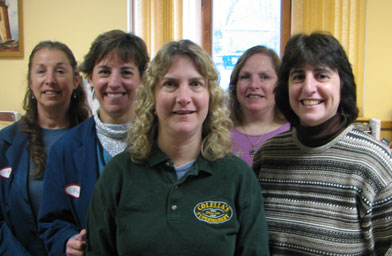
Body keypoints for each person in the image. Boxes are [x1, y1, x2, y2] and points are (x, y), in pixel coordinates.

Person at [85, 39, 270, 255]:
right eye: (170, 84)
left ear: (210, 98)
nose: (183, 98)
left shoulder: (239, 178)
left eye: (195, 84)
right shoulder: (118, 175)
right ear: (152, 99)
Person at [253, 31, 392, 255]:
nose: (308, 88)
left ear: (342, 85)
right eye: (298, 76)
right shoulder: (268, 156)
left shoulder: (374, 162)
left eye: (321, 75)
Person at [38, 30, 149, 256]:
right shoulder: (65, 150)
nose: (114, 83)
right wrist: (67, 241)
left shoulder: (163, 143)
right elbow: (52, 222)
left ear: (143, 79)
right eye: (104, 72)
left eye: (126, 72)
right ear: (90, 77)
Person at [0, 41, 90, 256]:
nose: (50, 80)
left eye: (60, 71)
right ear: (31, 81)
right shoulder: (5, 143)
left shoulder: (93, 140)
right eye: (41, 72)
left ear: (76, 80)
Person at [229, 46, 290, 166]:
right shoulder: (217, 133)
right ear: (235, 85)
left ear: (280, 84)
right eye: (245, 77)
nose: (254, 85)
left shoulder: (293, 134)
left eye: (264, 77)